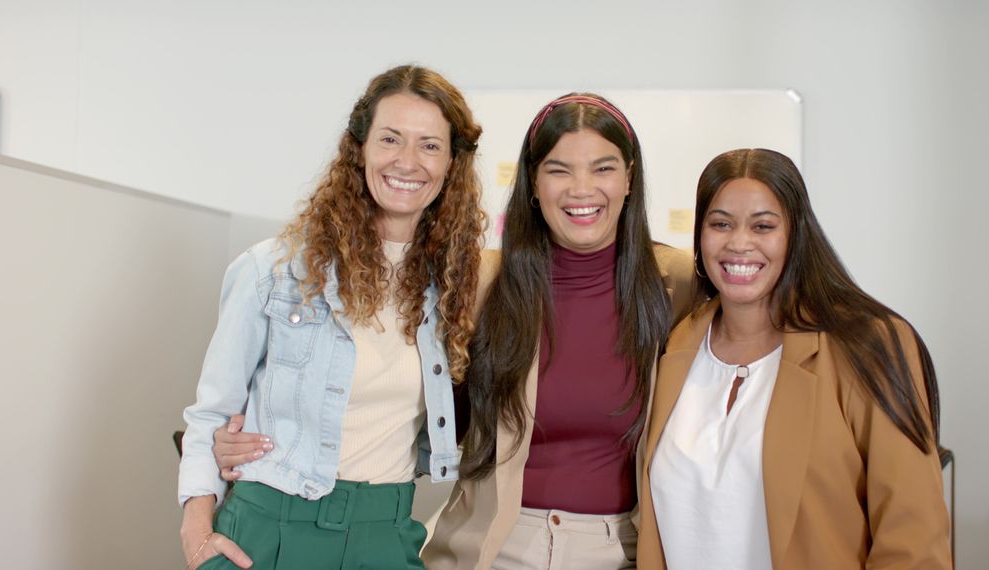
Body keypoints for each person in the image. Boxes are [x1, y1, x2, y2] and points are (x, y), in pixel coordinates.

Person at [177, 64, 485, 570]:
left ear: (452, 162)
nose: (407, 161)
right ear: (360, 148)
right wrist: (196, 531)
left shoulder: (457, 285)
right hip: (268, 528)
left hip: (386, 533)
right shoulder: (273, 271)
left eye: (429, 145)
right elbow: (211, 415)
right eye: (390, 139)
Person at [636, 148, 952, 569]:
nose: (738, 243)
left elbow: (914, 540)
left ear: (796, 235)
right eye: (720, 224)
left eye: (763, 226)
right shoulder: (674, 345)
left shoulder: (868, 345)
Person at [422, 93, 694, 569]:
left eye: (603, 168)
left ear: (629, 178)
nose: (581, 189)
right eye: (559, 170)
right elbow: (421, 410)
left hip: (622, 550)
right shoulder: (483, 282)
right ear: (533, 181)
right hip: (495, 548)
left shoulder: (678, 283)